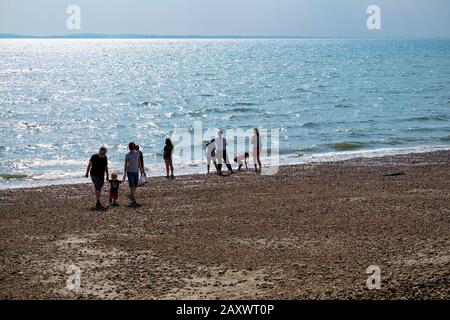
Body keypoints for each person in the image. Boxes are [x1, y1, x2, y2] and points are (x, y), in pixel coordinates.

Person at [85, 146, 109, 210]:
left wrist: (107, 175)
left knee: (99, 187)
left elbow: (106, 167)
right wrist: (87, 173)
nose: (103, 154)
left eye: (104, 153)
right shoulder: (94, 156)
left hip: (101, 175)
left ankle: (98, 202)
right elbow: (89, 165)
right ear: (99, 151)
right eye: (102, 153)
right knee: (98, 187)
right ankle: (98, 202)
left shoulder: (105, 158)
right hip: (94, 175)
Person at [123, 142, 145, 207]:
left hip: (136, 171)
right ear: (129, 148)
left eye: (133, 147)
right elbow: (126, 164)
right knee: (132, 185)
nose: (132, 148)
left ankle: (132, 195)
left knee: (135, 185)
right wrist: (124, 173)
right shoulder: (127, 155)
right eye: (131, 147)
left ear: (135, 147)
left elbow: (139, 163)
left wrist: (142, 171)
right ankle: (134, 200)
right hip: (130, 172)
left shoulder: (138, 153)